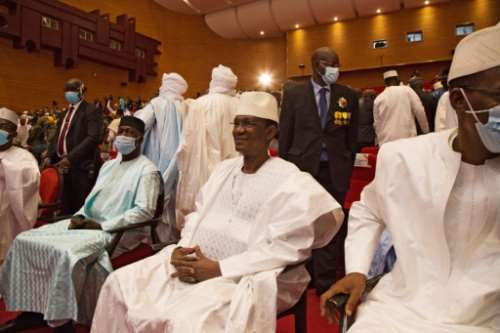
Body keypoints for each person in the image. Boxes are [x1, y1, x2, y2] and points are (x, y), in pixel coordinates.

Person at [90, 92, 344, 333]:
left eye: (249, 124)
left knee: (187, 320)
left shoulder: (291, 180)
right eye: (237, 123)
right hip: (195, 260)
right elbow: (197, 215)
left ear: (270, 132)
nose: (239, 130)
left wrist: (219, 268)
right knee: (120, 283)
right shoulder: (224, 169)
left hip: (248, 275)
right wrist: (184, 249)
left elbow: (286, 248)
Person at [320, 22, 500, 333]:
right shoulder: (404, 159)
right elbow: (368, 209)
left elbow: (375, 124)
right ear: (459, 100)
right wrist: (359, 269)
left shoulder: (379, 98)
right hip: (401, 308)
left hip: (485, 319)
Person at [0, 116, 161, 333]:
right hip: (87, 223)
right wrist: (80, 215)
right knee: (25, 239)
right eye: (121, 131)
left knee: (67, 254)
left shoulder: (147, 170)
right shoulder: (110, 165)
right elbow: (92, 200)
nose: (124, 136)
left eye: (130, 133)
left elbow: (144, 211)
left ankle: (63, 321)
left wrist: (103, 226)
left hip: (116, 231)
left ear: (141, 139)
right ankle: (31, 310)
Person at [279, 46, 359, 294]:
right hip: (303, 170)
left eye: (338, 63)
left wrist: (346, 167)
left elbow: (352, 137)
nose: (336, 69)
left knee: (331, 224)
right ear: (316, 65)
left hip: (334, 170)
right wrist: (285, 173)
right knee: (303, 223)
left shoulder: (347, 95)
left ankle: (324, 279)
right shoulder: (294, 94)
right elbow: (286, 134)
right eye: (330, 63)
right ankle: (302, 275)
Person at [175, 64, 239, 229]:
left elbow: (186, 141)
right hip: (235, 168)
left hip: (203, 168)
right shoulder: (240, 104)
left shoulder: (199, 104)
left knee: (202, 212)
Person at [135, 73, 187, 241]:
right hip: (178, 166)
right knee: (171, 205)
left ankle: (149, 242)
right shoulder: (185, 107)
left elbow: (139, 125)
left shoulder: (156, 104)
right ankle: (167, 242)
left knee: (151, 202)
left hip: (155, 162)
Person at [47, 78, 103, 214]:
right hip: (61, 165)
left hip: (80, 167)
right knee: (64, 205)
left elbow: (93, 138)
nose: (69, 93)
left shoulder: (91, 110)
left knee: (78, 208)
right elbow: (58, 136)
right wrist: (50, 155)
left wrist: (70, 158)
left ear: (81, 92)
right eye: (67, 90)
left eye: (72, 90)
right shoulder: (64, 113)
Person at [0, 108, 39, 264]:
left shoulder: (24, 156)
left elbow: (30, 181)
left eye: (5, 127)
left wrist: (6, 170)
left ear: (14, 133)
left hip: (9, 208)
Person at [373, 70, 429, 145]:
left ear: (385, 82)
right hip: (407, 139)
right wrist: (425, 130)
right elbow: (419, 111)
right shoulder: (407, 90)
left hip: (387, 142)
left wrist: (380, 142)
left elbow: (377, 124)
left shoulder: (379, 98)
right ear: (397, 80)